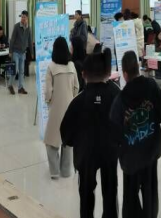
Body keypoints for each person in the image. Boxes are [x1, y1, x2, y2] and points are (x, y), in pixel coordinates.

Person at [110, 51, 161, 218]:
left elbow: (114, 132)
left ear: (125, 74)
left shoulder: (120, 99)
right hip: (151, 150)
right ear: (138, 67)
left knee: (130, 196)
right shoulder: (151, 86)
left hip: (131, 157)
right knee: (150, 192)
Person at [62, 53, 120, 218]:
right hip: (110, 151)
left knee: (86, 194)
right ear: (107, 73)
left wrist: (75, 142)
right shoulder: (116, 95)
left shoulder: (78, 101)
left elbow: (66, 132)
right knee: (110, 191)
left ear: (83, 74)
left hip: (85, 154)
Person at [44, 37, 79, 179]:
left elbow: (48, 91)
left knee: (51, 141)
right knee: (67, 141)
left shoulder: (51, 67)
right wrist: (71, 98)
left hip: (56, 109)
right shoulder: (72, 66)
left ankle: (54, 172)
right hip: (70, 107)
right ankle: (65, 171)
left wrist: (49, 102)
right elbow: (76, 87)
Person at [8, 10, 32, 95]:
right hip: (15, 52)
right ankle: (10, 85)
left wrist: (32, 53)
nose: (22, 18)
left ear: (27, 18)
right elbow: (12, 40)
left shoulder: (29, 28)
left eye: (24, 17)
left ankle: (20, 88)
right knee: (15, 70)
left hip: (23, 52)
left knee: (22, 71)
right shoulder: (17, 26)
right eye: (21, 17)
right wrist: (10, 51)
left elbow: (30, 41)